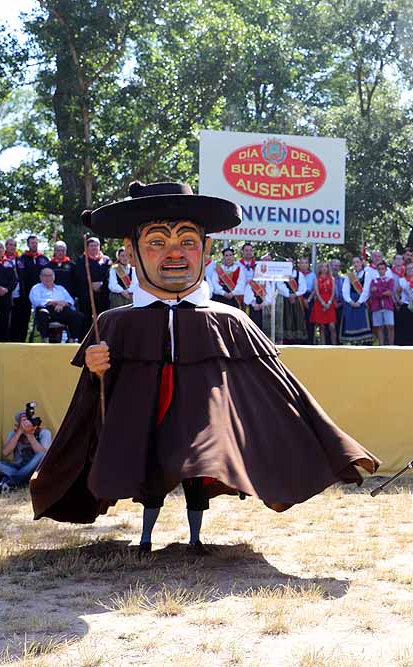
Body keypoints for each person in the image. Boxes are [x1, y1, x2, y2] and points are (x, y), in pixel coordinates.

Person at [29, 180, 379, 555]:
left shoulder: (230, 320)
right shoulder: (116, 323)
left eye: (187, 242)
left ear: (206, 250)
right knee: (150, 477)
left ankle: (195, 538)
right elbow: (92, 402)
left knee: (198, 473)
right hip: (147, 420)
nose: (174, 253)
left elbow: (274, 388)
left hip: (202, 423)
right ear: (131, 252)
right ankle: (146, 538)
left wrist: (328, 445)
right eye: (157, 243)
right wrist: (97, 366)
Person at [0, 410, 51, 491]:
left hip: (36, 469)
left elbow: (44, 456)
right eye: (24, 420)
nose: (26, 423)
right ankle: (23, 480)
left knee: (41, 454)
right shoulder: (13, 434)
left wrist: (29, 434)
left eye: (29, 420)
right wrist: (19, 432)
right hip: (19, 467)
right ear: (18, 423)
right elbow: (5, 452)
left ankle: (11, 482)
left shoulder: (44, 433)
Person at [9, 235, 51, 341]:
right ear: (28, 244)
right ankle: (19, 341)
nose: (34, 245)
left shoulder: (44, 259)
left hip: (42, 294)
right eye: (32, 243)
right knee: (22, 319)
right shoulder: (22, 259)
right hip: (25, 294)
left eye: (36, 243)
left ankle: (46, 339)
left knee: (44, 315)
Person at [30, 267, 83, 342]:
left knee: (78, 315)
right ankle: (45, 340)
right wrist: (56, 302)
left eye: (50, 275)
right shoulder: (36, 288)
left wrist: (62, 304)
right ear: (40, 277)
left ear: (54, 277)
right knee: (42, 313)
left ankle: (72, 340)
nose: (48, 278)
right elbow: (37, 302)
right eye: (45, 275)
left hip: (62, 309)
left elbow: (70, 301)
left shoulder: (60, 288)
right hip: (46, 310)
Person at [75, 236, 112, 331]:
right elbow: (80, 275)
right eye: (91, 245)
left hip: (102, 294)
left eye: (96, 245)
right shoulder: (81, 260)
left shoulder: (106, 260)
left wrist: (101, 285)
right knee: (86, 319)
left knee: (103, 317)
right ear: (87, 247)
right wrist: (91, 284)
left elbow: (109, 275)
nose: (94, 247)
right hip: (87, 294)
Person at [339, 256, 373, 345]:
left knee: (362, 324)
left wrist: (359, 302)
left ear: (361, 263)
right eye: (354, 262)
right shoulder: (349, 276)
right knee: (350, 325)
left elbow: (366, 290)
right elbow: (345, 290)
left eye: (357, 262)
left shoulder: (367, 275)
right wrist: (350, 301)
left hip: (361, 303)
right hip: (350, 303)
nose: (356, 264)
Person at [279, 260, 309, 345]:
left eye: (291, 263)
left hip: (297, 300)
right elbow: (280, 286)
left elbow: (303, 287)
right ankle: (287, 339)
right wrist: (288, 295)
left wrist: (295, 295)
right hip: (286, 300)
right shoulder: (282, 274)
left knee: (298, 318)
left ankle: (299, 340)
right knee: (287, 318)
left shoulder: (299, 274)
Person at [309, 261, 337, 344]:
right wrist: (322, 302)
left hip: (330, 303)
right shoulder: (316, 279)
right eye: (322, 267)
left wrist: (329, 302)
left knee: (332, 326)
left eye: (326, 267)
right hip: (320, 303)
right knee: (321, 326)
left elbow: (333, 292)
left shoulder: (332, 279)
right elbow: (316, 292)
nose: (324, 268)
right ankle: (322, 345)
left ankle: (334, 345)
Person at [369, 259, 395, 345]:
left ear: (386, 269)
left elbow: (390, 292)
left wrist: (378, 290)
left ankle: (391, 345)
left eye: (382, 268)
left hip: (387, 305)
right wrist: (383, 290)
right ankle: (381, 345)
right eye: (379, 269)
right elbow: (372, 293)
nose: (381, 270)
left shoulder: (390, 280)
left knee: (390, 326)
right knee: (379, 327)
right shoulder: (374, 281)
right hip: (377, 306)